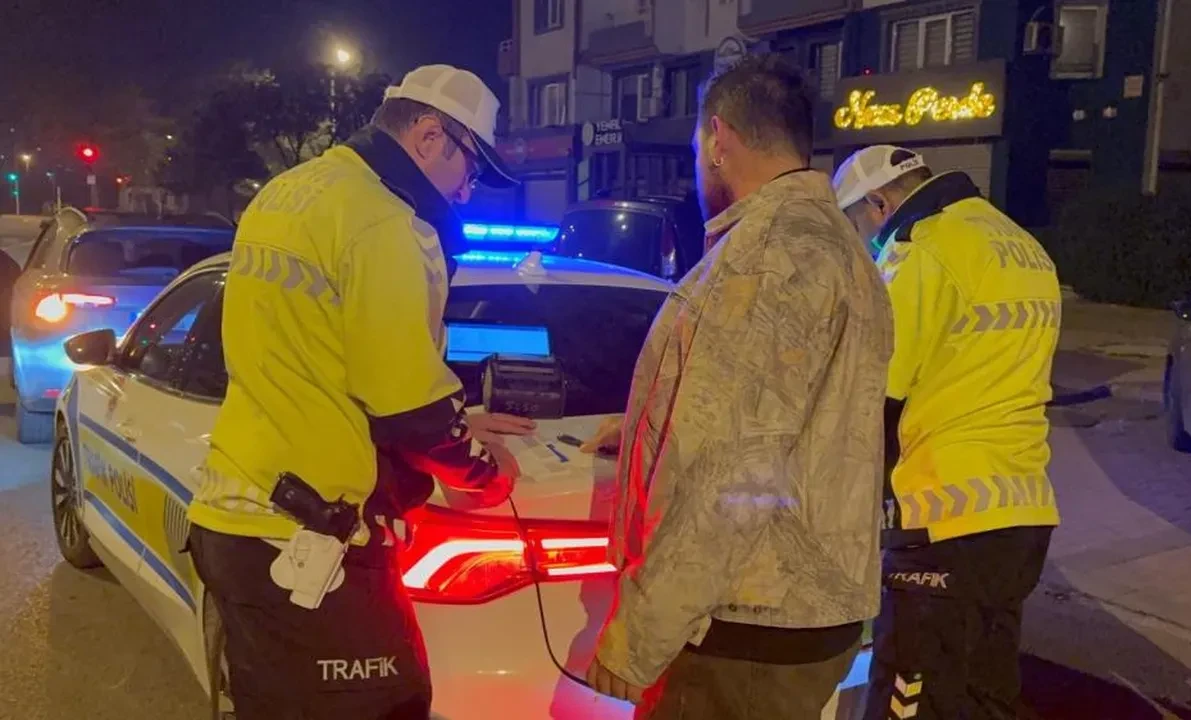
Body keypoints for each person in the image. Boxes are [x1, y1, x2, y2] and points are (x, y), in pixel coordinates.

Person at [186, 65, 534, 720]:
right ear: (431, 136)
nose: (467, 191)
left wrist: (454, 420)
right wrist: (485, 475)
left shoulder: (290, 193)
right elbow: (410, 408)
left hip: (234, 517)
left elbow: (324, 356)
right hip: (309, 540)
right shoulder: (388, 222)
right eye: (472, 169)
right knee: (392, 705)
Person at [579, 54, 894, 719]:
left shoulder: (768, 254)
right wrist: (644, 427)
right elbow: (799, 422)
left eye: (699, 145)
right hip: (802, 615)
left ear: (718, 138)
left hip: (746, 629)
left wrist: (640, 637)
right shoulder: (841, 247)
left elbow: (731, 472)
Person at [832, 145, 1062, 719]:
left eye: (856, 227)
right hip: (1023, 520)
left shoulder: (919, 252)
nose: (864, 245)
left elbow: (869, 396)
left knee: (907, 701)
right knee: (985, 699)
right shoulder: (1022, 246)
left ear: (878, 205)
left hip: (944, 517)